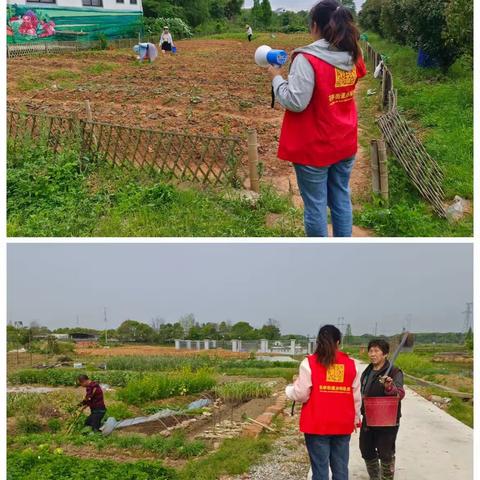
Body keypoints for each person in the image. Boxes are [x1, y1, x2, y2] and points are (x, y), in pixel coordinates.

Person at [267, 0, 367, 237]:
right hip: (344, 141)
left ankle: (319, 258)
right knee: (341, 197)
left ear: (314, 25)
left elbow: (296, 101)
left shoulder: (308, 58)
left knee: (315, 206)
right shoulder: (352, 52)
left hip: (315, 148)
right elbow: (357, 74)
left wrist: (276, 78)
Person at [286, 325, 361, 480]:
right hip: (342, 424)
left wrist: (289, 390)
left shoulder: (309, 363)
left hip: (317, 424)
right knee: (340, 468)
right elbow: (356, 397)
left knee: (320, 470)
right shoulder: (351, 365)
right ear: (338, 342)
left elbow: (301, 394)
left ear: (318, 342)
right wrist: (355, 419)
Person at [360, 339, 405, 480]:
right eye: (370, 351)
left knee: (386, 453)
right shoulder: (367, 372)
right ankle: (374, 477)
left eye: (376, 351)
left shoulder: (394, 371)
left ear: (385, 354)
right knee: (366, 450)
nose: (372, 354)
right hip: (369, 417)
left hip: (387, 420)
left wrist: (389, 387)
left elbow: (400, 393)